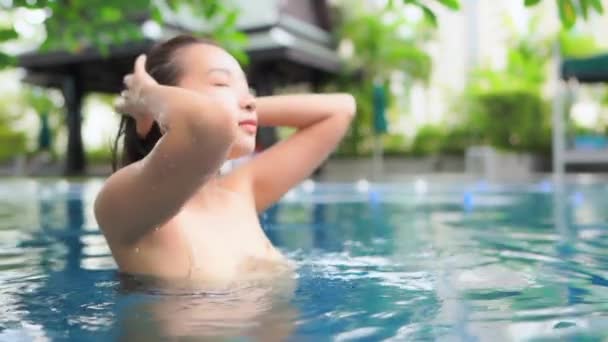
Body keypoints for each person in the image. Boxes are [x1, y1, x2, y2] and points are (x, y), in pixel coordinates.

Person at [94, 35, 356, 289]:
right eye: (221, 84)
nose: (249, 100)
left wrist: (243, 109)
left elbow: (340, 110)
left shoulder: (241, 192)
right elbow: (209, 124)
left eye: (247, 89)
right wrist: (148, 98)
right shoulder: (125, 206)